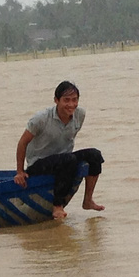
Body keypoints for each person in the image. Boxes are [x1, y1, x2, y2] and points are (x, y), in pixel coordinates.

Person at [14, 80, 105, 219]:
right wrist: (20, 172)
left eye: (75, 100)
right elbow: (22, 143)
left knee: (95, 155)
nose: (71, 104)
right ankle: (57, 206)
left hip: (66, 160)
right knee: (68, 160)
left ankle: (88, 200)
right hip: (39, 163)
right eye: (66, 100)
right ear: (56, 100)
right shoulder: (40, 119)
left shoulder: (80, 114)